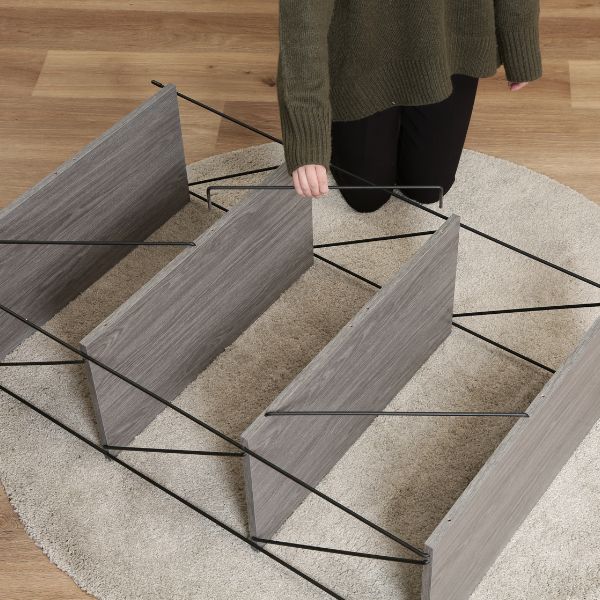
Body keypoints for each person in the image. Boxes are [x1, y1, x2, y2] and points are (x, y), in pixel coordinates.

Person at [276, 0, 543, 211]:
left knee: (429, 186)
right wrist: (307, 135)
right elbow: (302, 18)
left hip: (447, 39)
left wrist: (520, 38)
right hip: (361, 49)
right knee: (367, 196)